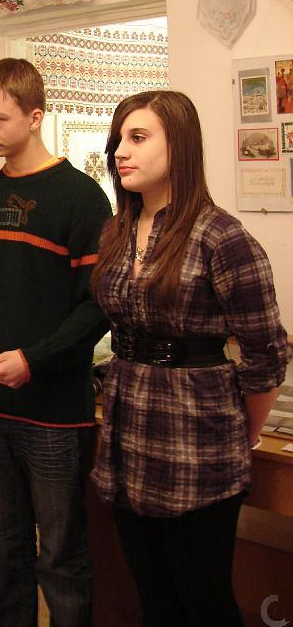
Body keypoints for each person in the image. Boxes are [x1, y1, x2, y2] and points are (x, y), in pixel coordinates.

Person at [90, 90, 290, 627]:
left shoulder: (221, 237)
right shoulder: (116, 231)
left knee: (202, 599)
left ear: (179, 145)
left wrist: (240, 434)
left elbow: (267, 355)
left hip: (198, 437)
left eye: (138, 138)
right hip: (130, 429)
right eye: (118, 140)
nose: (120, 152)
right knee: (151, 593)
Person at [0, 58, 112, 627]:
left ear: (35, 117)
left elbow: (98, 307)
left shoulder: (83, 198)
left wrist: (34, 361)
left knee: (60, 555)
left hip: (54, 414)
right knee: (4, 545)